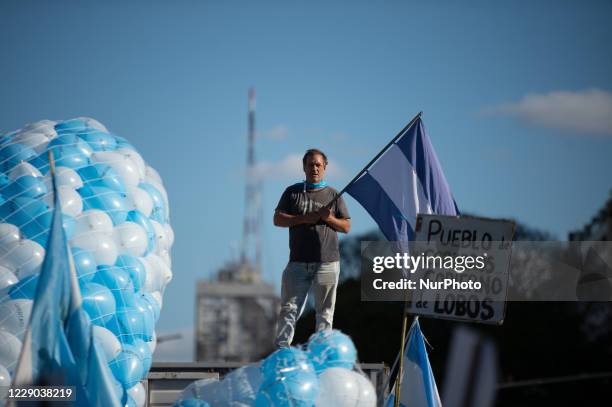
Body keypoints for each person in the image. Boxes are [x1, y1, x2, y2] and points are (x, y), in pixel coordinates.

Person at [273, 148, 351, 348]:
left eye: (318, 164)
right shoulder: (292, 192)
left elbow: (346, 226)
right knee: (289, 309)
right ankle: (282, 351)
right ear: (304, 167)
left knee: (325, 312)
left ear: (325, 167)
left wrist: (329, 218)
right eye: (310, 164)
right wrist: (303, 219)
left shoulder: (334, 194)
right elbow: (278, 219)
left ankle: (320, 352)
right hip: (297, 262)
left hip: (327, 262)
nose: (314, 168)